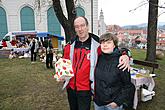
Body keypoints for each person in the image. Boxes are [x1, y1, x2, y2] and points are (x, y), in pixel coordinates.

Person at [63, 16, 130, 110]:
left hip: (85, 89)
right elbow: (64, 63)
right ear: (74, 29)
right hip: (71, 88)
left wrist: (125, 54)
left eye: (82, 25)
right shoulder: (70, 45)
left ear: (87, 26)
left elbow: (113, 49)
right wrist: (62, 75)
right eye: (77, 26)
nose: (80, 29)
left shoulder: (97, 44)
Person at [93, 33, 135, 110]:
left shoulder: (122, 62)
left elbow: (128, 86)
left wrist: (117, 102)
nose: (105, 45)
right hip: (98, 102)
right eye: (103, 42)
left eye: (108, 42)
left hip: (112, 105)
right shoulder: (98, 58)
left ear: (114, 45)